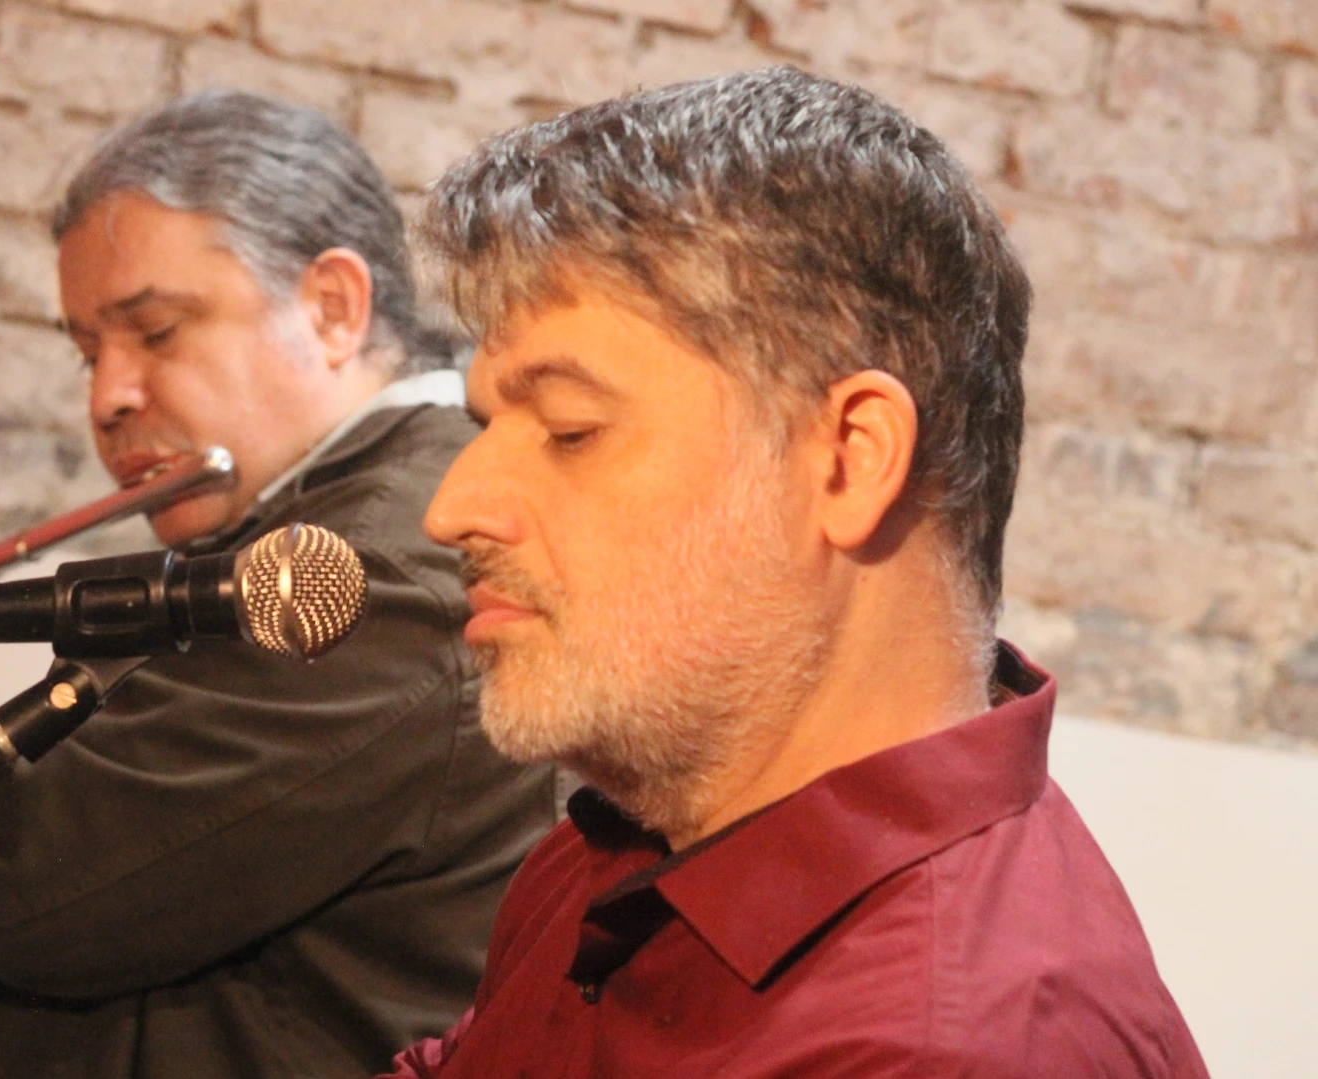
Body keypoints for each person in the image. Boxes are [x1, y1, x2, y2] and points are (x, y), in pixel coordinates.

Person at [387, 68, 1208, 1077]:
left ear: (849, 458)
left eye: (570, 429)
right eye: (484, 425)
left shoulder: (950, 1049)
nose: (452, 508)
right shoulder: (635, 837)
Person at [0, 90, 556, 1078]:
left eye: (156, 331)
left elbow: (27, 873)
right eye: (88, 352)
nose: (107, 397)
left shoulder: (371, 571)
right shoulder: (295, 531)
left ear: (332, 308)